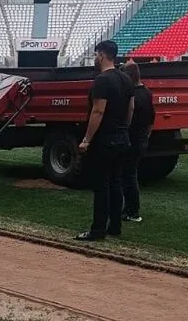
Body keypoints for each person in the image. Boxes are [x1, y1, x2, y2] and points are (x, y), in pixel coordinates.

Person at [75, 40, 134, 241]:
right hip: (122, 138)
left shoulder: (102, 80)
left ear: (101, 55)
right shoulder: (126, 79)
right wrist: (124, 128)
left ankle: (98, 230)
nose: (95, 58)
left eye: (96, 54)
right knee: (116, 183)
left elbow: (98, 110)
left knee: (101, 186)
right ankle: (115, 227)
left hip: (105, 140)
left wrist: (86, 139)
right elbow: (131, 108)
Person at [120, 61, 156, 223]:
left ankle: (132, 211)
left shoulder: (132, 94)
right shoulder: (147, 92)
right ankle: (129, 209)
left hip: (131, 140)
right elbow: (151, 118)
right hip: (141, 139)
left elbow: (129, 117)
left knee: (128, 176)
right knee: (130, 175)